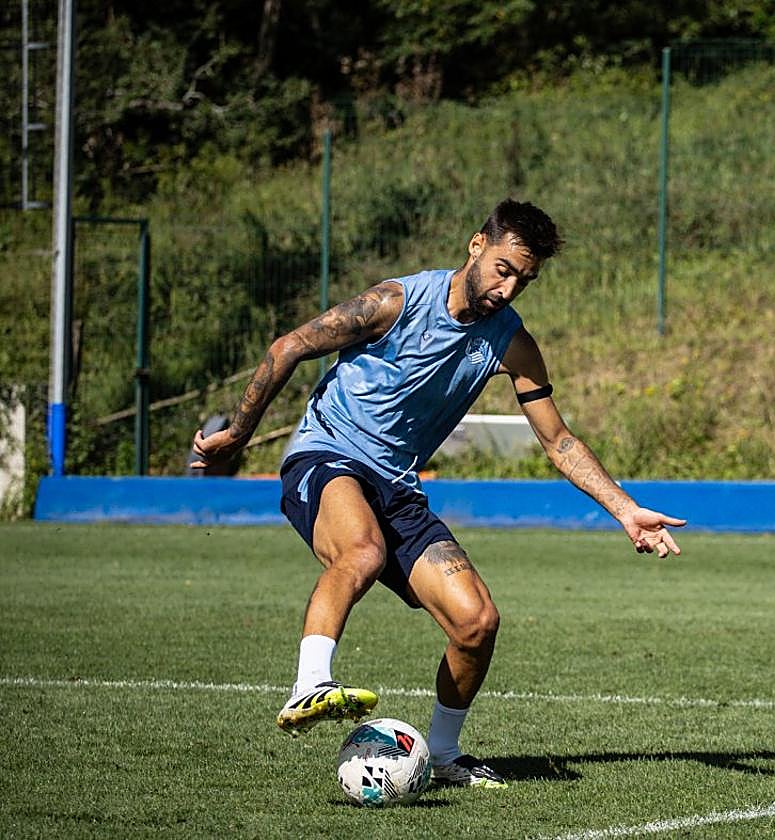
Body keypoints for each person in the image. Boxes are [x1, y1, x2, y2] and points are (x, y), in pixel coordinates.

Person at [191, 199, 686, 787]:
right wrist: (239, 435)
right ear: (477, 245)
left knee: (477, 622)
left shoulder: (511, 345)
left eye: (523, 280)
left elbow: (559, 442)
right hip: (327, 455)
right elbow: (289, 346)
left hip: (397, 485)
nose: (508, 289)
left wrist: (624, 509)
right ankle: (310, 685)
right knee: (363, 552)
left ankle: (445, 755)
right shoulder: (395, 303)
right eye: (504, 268)